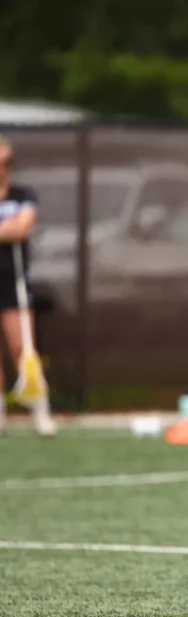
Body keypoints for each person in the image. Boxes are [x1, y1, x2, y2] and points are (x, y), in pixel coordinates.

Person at [0, 135, 56, 437]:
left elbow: (22, 228)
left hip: (14, 281)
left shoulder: (22, 194)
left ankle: (40, 411)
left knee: (22, 347)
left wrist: (12, 229)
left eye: (5, 163)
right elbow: (11, 229)